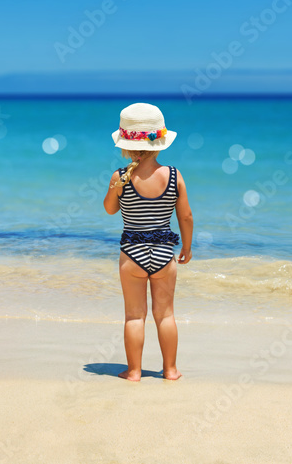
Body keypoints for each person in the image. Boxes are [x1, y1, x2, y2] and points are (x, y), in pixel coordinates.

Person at [103, 102, 193, 381]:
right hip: (165, 253)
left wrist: (115, 187)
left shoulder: (120, 177)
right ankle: (170, 369)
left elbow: (109, 209)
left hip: (132, 254)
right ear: (160, 142)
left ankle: (133, 371)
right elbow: (186, 217)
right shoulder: (174, 177)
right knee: (165, 315)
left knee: (134, 316)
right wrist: (187, 247)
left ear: (127, 145)